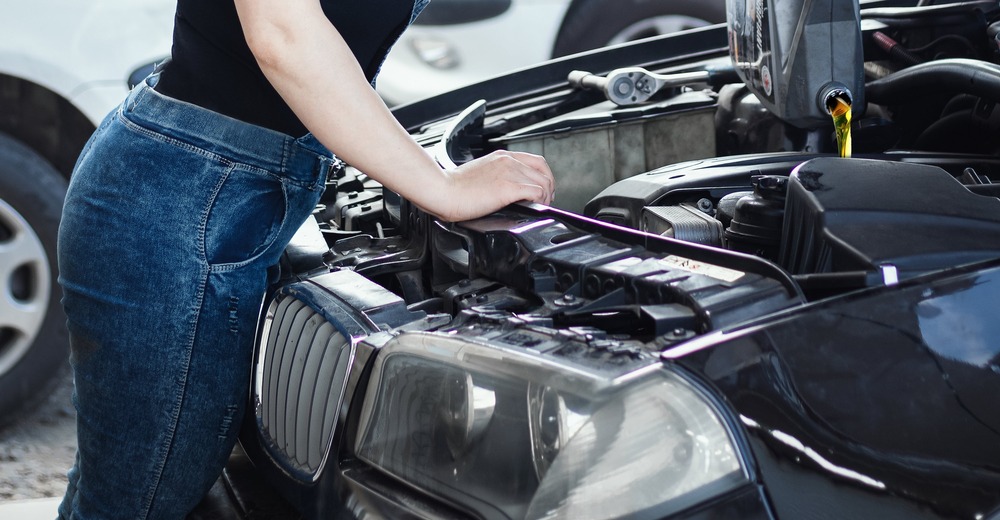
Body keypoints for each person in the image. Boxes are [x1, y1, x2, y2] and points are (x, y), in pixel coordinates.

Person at [56, 0, 555, 518]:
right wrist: (442, 188)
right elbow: (283, 32)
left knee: (132, 492)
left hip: (218, 193)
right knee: (136, 504)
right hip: (177, 201)